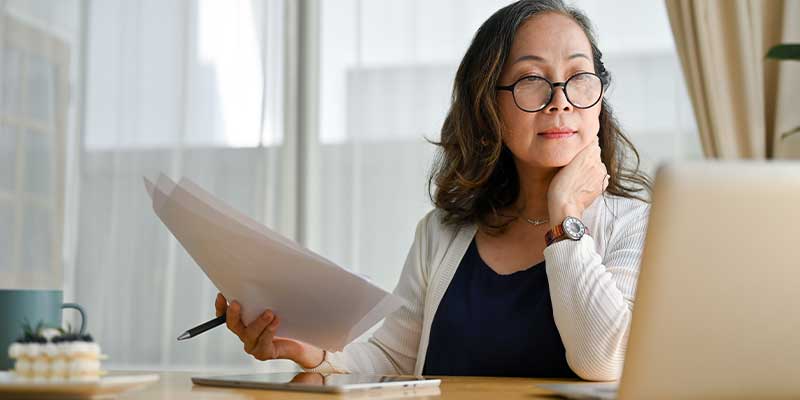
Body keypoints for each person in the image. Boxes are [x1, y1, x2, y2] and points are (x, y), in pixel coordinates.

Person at [214, 0, 652, 381]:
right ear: (489, 105)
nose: (561, 100)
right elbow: (392, 358)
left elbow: (604, 360)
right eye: (531, 80)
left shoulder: (636, 226)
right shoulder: (441, 233)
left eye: (579, 76)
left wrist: (564, 215)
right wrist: (316, 354)